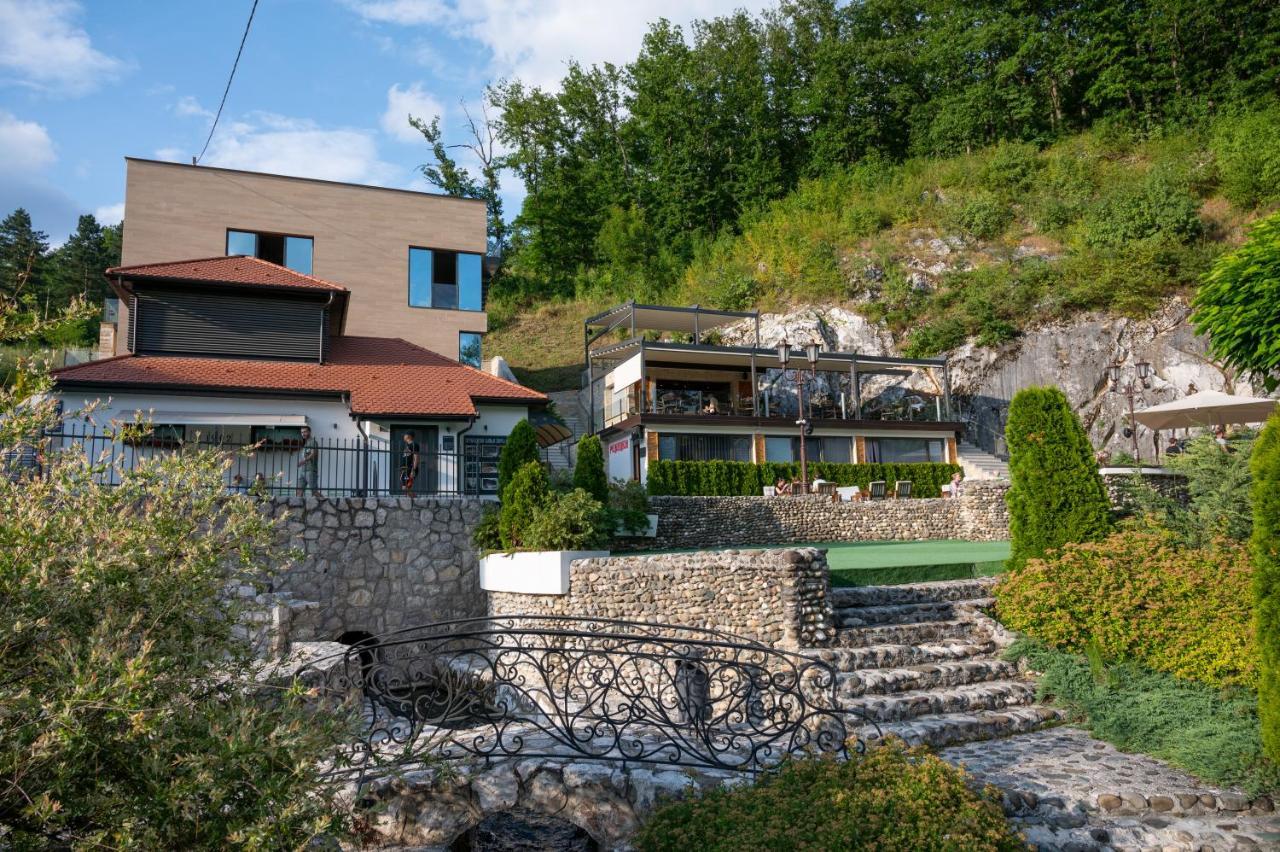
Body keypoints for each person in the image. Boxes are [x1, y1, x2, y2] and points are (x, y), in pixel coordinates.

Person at [295, 425, 319, 496]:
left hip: (311, 470)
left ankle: (325, 503)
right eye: (302, 432)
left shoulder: (312, 441)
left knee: (314, 492)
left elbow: (314, 453)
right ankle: (297, 506)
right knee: (299, 492)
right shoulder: (306, 443)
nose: (303, 434)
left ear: (309, 432)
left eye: (305, 432)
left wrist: (303, 461)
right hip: (303, 470)